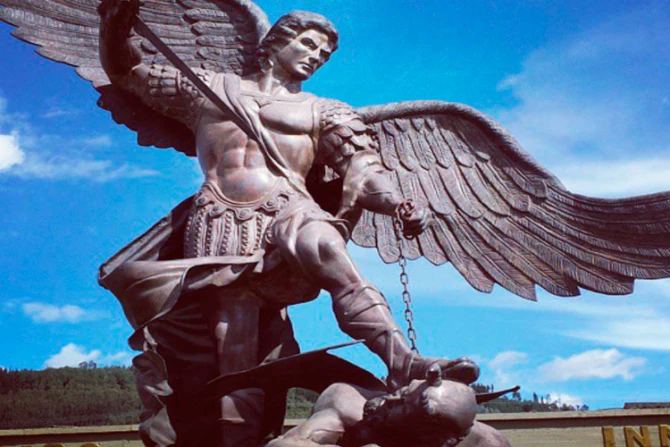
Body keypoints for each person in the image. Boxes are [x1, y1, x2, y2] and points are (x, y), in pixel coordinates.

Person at [97, 1, 479, 445]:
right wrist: (115, 25)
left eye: (324, 54)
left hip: (289, 204)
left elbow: (362, 169)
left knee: (327, 247)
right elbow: (129, 72)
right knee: (233, 341)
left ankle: (402, 360)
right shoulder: (209, 89)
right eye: (309, 44)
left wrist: (396, 204)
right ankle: (238, 438)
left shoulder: (326, 111)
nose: (316, 56)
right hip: (220, 217)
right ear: (276, 42)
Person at [267, 365, 510, 447]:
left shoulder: (484, 440)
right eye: (403, 392)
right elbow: (283, 445)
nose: (389, 400)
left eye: (401, 408)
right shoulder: (345, 404)